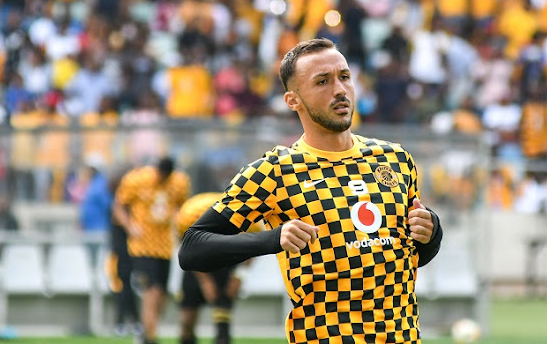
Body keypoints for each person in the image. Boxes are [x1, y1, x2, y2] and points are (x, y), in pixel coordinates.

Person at [179, 38, 443, 343]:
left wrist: (431, 231)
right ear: (294, 101)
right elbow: (192, 248)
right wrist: (274, 238)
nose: (340, 89)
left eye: (344, 76)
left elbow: (408, 255)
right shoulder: (275, 171)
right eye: (322, 81)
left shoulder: (395, 159)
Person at [113, 157, 190, 344]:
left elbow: (182, 207)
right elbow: (118, 206)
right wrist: (130, 226)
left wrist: (178, 224)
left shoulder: (179, 182)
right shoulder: (136, 179)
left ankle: (147, 330)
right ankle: (150, 337)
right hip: (142, 246)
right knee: (152, 290)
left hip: (164, 246)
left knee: (162, 294)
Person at [175, 192, 256, 344]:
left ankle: (223, 337)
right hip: (196, 261)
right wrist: (204, 281)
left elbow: (253, 244)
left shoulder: (242, 213)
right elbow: (186, 251)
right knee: (187, 319)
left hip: (225, 261)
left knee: (223, 312)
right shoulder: (189, 214)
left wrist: (239, 277)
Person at [104, 168, 140, 337]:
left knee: (123, 286)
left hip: (120, 254)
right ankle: (131, 321)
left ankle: (124, 322)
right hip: (123, 253)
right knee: (124, 286)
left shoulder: (121, 208)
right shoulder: (123, 210)